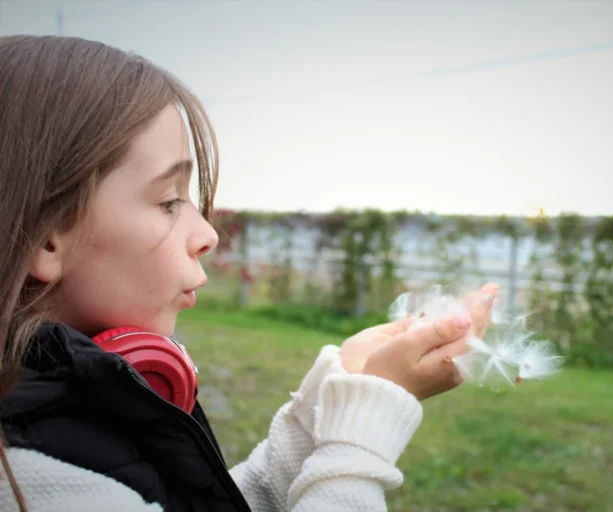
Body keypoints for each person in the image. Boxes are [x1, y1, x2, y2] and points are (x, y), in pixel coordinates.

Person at [0, 35, 498, 511]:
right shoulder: (29, 481)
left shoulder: (72, 413)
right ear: (45, 238)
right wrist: (361, 441)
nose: (208, 234)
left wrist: (328, 404)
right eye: (169, 199)